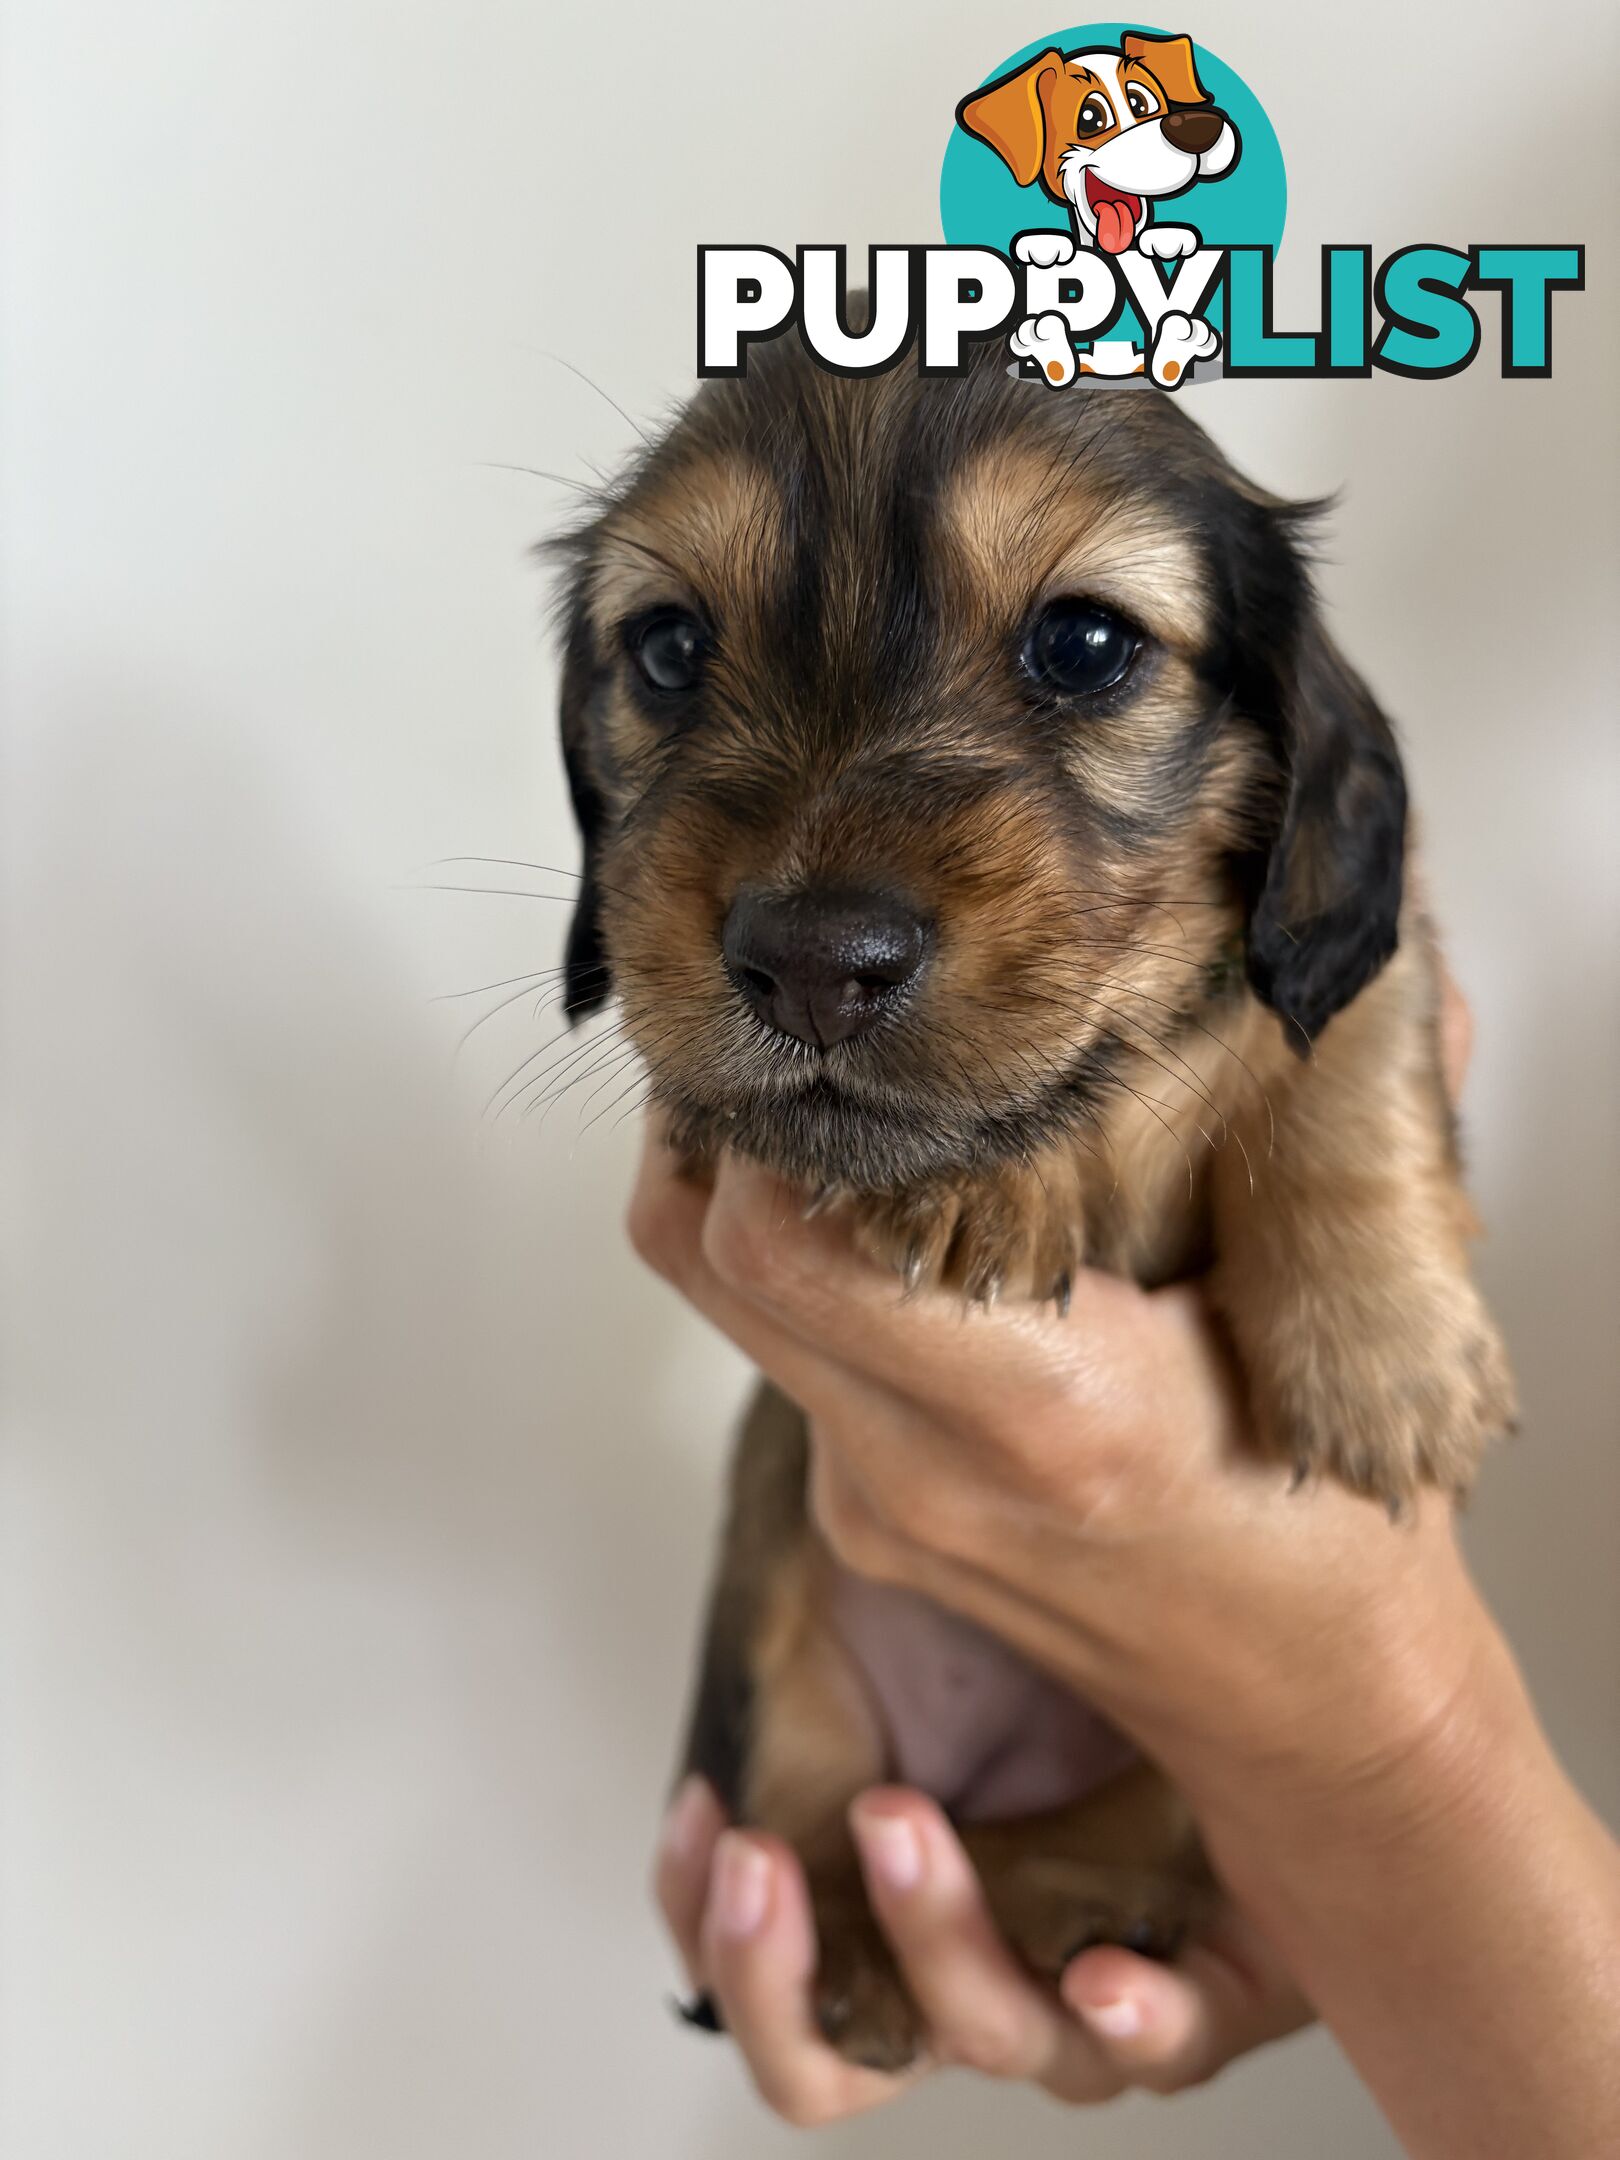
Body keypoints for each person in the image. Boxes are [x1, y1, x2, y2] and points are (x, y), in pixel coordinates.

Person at [630, 995, 1620, 2151]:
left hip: (1176, 1789)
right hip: (868, 1668)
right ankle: (836, 1854)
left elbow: (1360, 984)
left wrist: (1380, 1761)